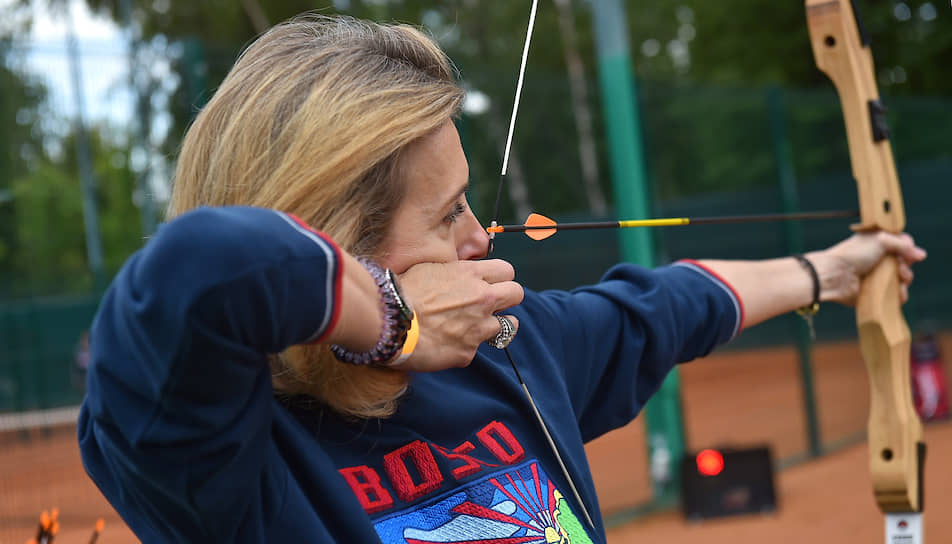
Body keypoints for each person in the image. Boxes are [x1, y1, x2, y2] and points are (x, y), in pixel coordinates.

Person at [77, 14, 927, 544]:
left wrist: (831, 271)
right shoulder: (208, 450)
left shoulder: (508, 351)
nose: (479, 236)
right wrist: (397, 319)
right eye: (447, 213)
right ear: (343, 240)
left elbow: (670, 306)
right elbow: (207, 265)